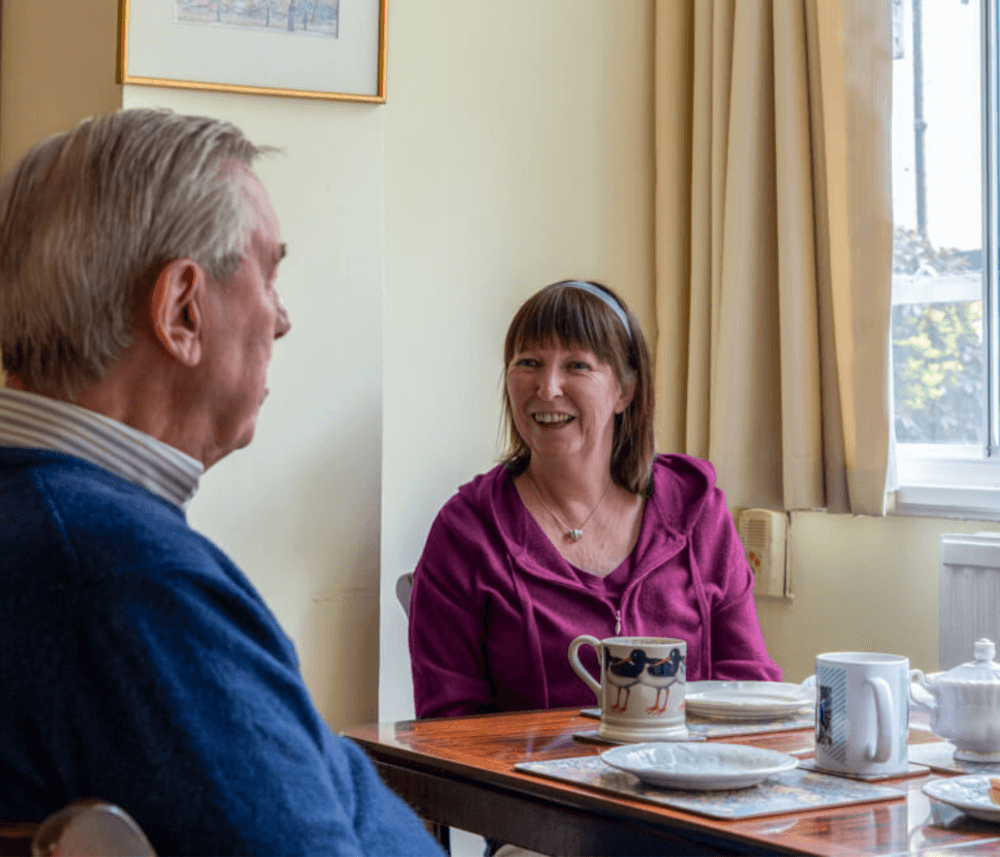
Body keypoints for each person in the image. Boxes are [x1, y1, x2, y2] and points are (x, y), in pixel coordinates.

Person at [0, 109, 441, 857]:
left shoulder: (54, 527)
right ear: (181, 310)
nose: (283, 317)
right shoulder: (126, 578)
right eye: (269, 272)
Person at [409, 280, 781, 719]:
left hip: (685, 779)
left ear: (625, 390)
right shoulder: (467, 531)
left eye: (577, 366)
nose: (547, 388)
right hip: (528, 786)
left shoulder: (697, 512)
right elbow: (446, 728)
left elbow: (748, 686)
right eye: (528, 362)